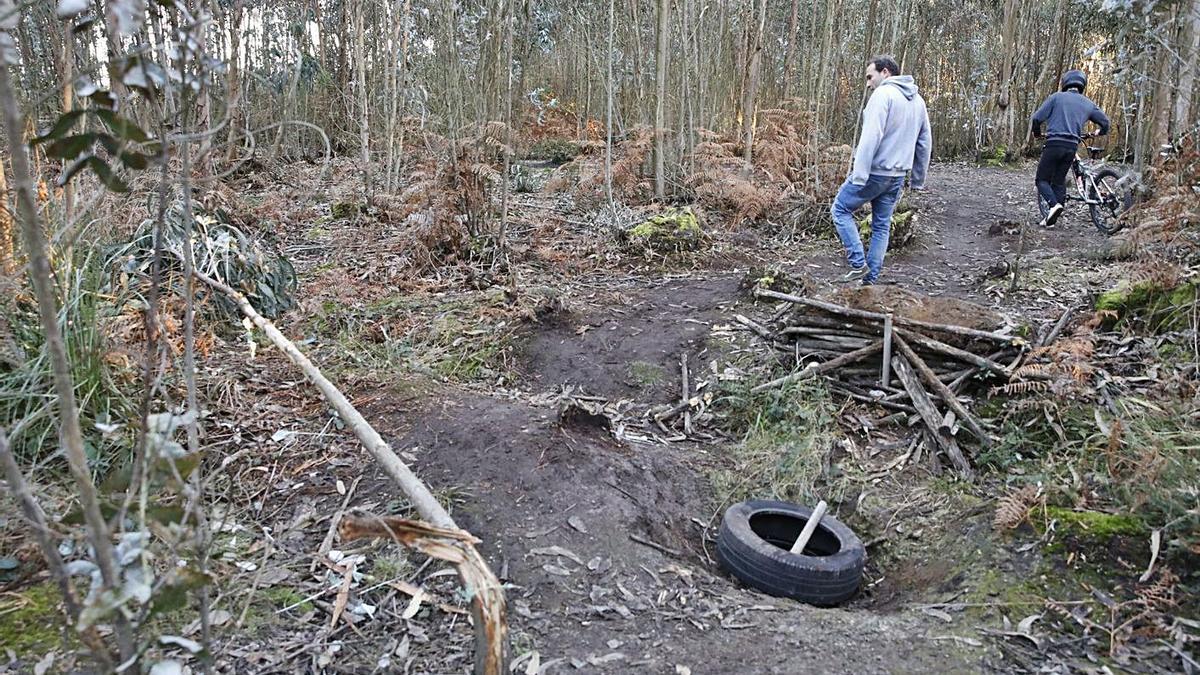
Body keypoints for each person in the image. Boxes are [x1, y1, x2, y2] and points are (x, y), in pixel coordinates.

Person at [832, 55, 932, 286]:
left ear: (885, 72)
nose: (868, 83)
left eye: (870, 76)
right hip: (897, 176)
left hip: (874, 172)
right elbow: (924, 141)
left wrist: (859, 172)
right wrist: (918, 180)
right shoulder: (918, 101)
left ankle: (858, 264)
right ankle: (870, 281)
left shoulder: (883, 95)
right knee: (881, 225)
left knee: (840, 210)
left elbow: (870, 137)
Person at [1030, 69, 1110, 227]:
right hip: (1071, 147)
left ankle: (1054, 205)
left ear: (1065, 83)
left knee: (1041, 180)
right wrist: (1098, 132)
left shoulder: (1056, 98)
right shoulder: (1088, 103)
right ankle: (1051, 219)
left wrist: (1037, 133)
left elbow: (1037, 118)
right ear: (1082, 85)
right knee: (1058, 182)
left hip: (1054, 144)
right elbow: (1105, 123)